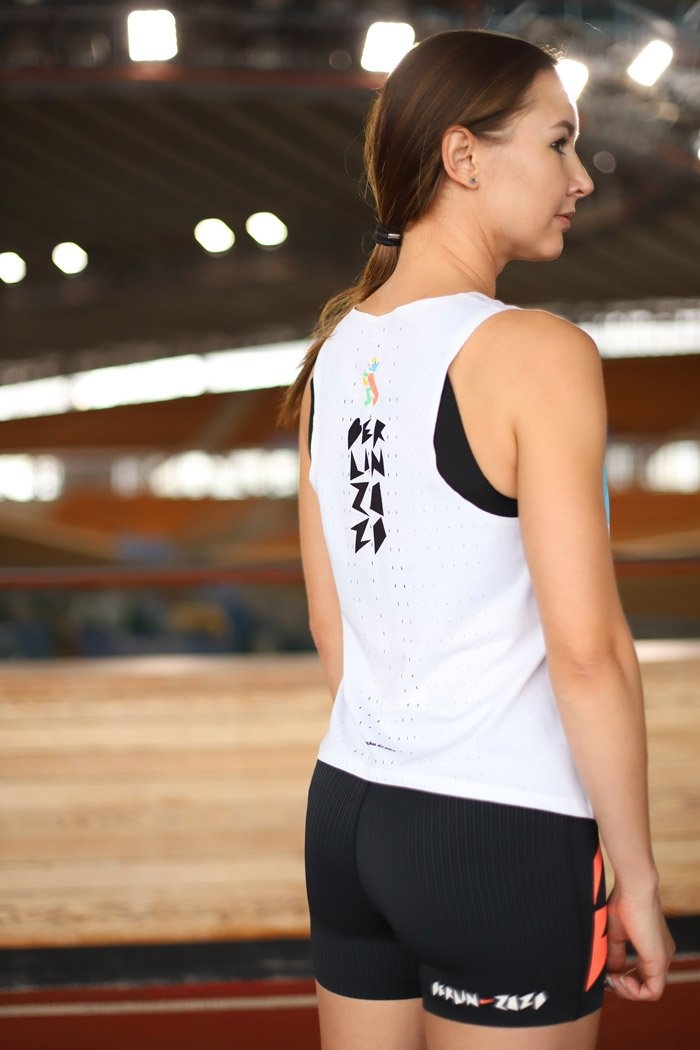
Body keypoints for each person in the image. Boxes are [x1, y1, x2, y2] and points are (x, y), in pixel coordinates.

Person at [280, 28, 675, 1050]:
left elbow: (333, 624)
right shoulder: (536, 352)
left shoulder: (334, 355)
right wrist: (635, 874)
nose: (581, 179)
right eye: (558, 142)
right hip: (503, 828)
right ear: (463, 155)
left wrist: (404, 779)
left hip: (350, 811)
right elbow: (587, 653)